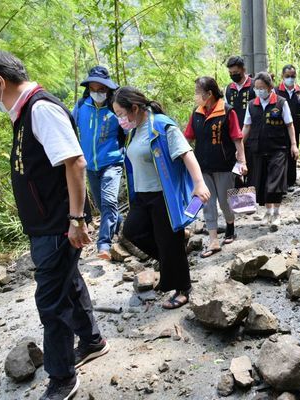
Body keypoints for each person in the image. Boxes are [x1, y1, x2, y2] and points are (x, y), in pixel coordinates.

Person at [0, 50, 108, 400]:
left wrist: (76, 219)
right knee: (69, 283)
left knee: (51, 301)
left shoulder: (41, 109)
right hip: (48, 225)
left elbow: (75, 162)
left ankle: (62, 378)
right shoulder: (23, 114)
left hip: (59, 224)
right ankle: (92, 341)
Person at [112, 87, 210, 309]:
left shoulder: (162, 125)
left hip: (163, 196)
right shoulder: (134, 130)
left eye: (120, 113)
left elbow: (186, 153)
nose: (120, 119)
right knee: (131, 232)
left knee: (169, 243)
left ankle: (183, 287)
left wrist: (199, 183)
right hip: (141, 196)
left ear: (134, 108)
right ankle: (172, 260)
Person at [184, 77, 247, 258]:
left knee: (225, 202)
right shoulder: (196, 113)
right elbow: (187, 137)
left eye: (198, 92)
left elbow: (237, 137)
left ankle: (230, 225)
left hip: (224, 166)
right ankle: (213, 240)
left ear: (209, 93)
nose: (196, 96)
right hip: (202, 167)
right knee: (207, 203)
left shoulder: (227, 112)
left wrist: (242, 161)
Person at [73, 66, 124, 260]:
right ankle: (120, 228)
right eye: (93, 89)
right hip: (89, 166)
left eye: (101, 89)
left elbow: (129, 130)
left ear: (108, 90)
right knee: (105, 207)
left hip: (112, 162)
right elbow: (70, 128)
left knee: (109, 200)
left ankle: (104, 244)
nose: (97, 93)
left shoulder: (115, 109)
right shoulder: (81, 106)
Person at [242, 71, 299, 226]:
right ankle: (268, 212)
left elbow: (289, 125)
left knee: (275, 182)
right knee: (261, 182)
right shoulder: (252, 105)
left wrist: (294, 145)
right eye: (256, 87)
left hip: (278, 149)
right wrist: (239, 147)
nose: (259, 90)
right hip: (257, 149)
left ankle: (277, 214)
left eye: (262, 87)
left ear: (269, 87)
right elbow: (246, 127)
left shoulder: (281, 103)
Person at [275, 64, 300, 189]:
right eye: (288, 76)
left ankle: (291, 181)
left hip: (295, 126)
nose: (290, 78)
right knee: (280, 154)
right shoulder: (276, 91)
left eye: (293, 76)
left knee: (293, 152)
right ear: (282, 76)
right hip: (279, 127)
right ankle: (281, 182)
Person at [225, 56, 256, 184]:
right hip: (234, 134)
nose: (233, 75)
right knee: (236, 169)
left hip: (252, 133)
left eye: (236, 73)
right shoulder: (229, 88)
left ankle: (253, 197)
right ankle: (240, 198)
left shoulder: (254, 85)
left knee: (251, 166)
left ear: (243, 70)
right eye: (231, 73)